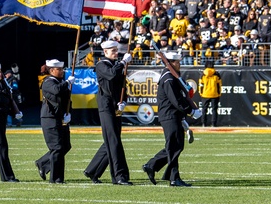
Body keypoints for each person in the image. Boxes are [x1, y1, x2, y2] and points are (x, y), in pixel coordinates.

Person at [142, 51, 201, 187]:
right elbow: (176, 100)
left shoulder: (174, 77)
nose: (179, 64)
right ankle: (173, 178)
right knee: (174, 146)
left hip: (174, 115)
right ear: (169, 63)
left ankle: (155, 167)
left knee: (176, 145)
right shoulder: (168, 77)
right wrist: (190, 111)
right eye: (176, 62)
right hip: (169, 115)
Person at [84, 40, 133, 185]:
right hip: (106, 107)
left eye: (116, 50)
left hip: (116, 106)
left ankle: (93, 170)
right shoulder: (101, 65)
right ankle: (119, 176)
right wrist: (123, 63)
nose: (116, 53)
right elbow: (111, 75)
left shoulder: (116, 66)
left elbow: (121, 85)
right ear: (105, 52)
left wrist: (123, 100)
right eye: (113, 51)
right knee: (114, 141)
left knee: (111, 140)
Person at [35, 59, 73, 184]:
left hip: (60, 117)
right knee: (57, 148)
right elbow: (56, 90)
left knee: (66, 146)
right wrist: (67, 82)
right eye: (59, 69)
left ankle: (42, 163)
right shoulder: (47, 81)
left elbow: (67, 100)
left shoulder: (61, 82)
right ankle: (56, 178)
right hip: (49, 118)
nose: (62, 71)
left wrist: (68, 113)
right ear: (52, 70)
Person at [198, 62, 222, 126]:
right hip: (214, 94)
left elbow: (201, 85)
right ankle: (213, 123)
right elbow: (219, 85)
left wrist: (201, 93)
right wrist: (219, 93)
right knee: (214, 109)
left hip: (205, 94)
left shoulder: (203, 74)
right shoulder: (217, 74)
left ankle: (203, 123)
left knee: (204, 109)